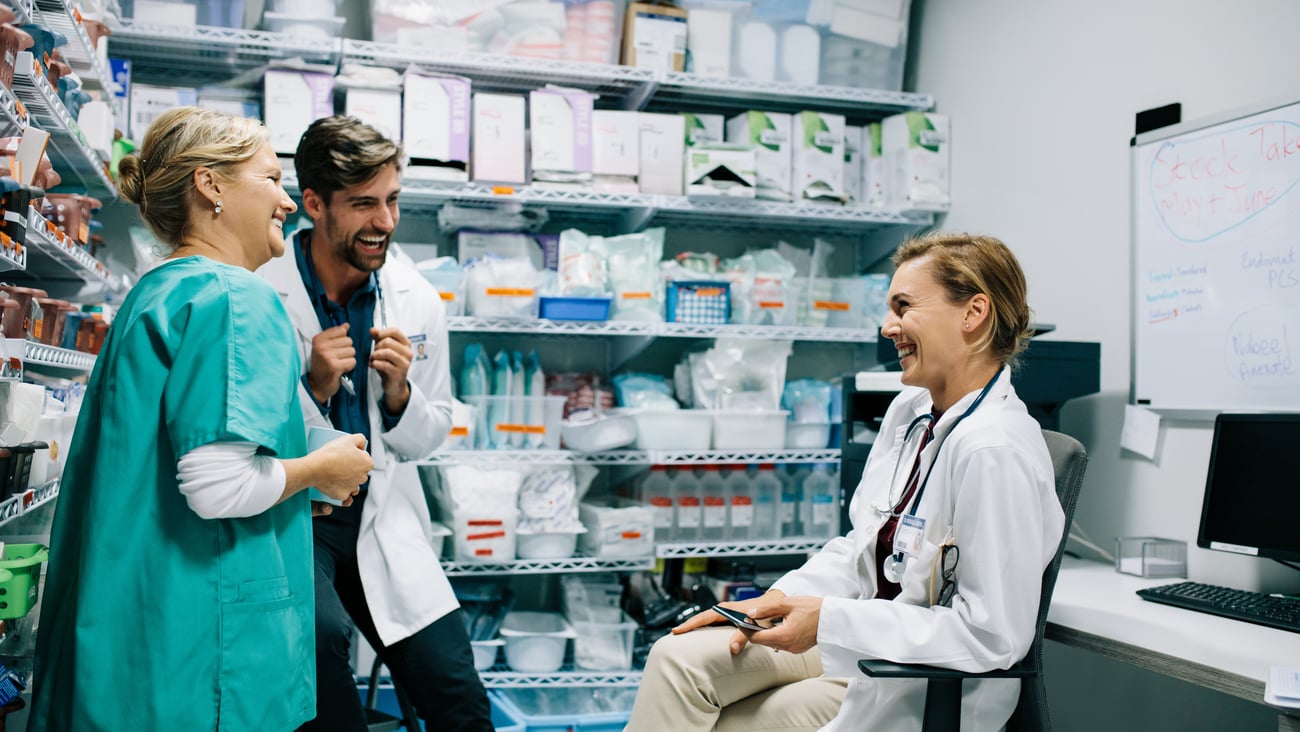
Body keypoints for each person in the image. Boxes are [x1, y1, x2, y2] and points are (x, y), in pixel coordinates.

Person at [626, 232, 1067, 732]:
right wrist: (774, 603)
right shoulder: (913, 410)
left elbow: (992, 636)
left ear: (973, 313)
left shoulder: (994, 451)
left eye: (903, 307)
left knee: (730, 724)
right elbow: (862, 546)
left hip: (917, 678)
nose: (887, 327)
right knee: (676, 657)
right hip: (862, 637)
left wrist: (829, 620)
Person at [29, 107, 374, 731]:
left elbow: (171, 462)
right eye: (271, 179)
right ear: (210, 185)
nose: (288, 202)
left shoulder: (159, 291)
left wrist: (296, 487)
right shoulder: (235, 298)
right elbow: (220, 487)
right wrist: (322, 466)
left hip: (135, 642)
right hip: (199, 660)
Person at [258, 115, 492, 731]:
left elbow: (429, 431)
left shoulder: (414, 296)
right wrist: (314, 387)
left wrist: (399, 393)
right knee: (319, 647)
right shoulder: (262, 290)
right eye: (363, 204)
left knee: (455, 690)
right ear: (314, 204)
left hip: (382, 514)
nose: (385, 221)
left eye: (391, 200)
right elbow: (242, 438)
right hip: (298, 515)